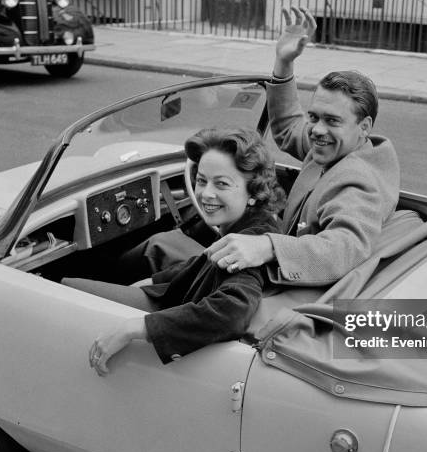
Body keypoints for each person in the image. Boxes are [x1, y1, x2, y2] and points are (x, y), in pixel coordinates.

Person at [204, 6, 400, 285]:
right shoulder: (339, 146)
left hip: (286, 289)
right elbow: (287, 129)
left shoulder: (357, 181)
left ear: (364, 126)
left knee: (161, 251)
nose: (317, 130)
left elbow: (344, 247)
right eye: (314, 117)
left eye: (332, 120)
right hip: (285, 255)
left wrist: (268, 246)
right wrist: (284, 62)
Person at [62, 128, 283, 374]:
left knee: (64, 291)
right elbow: (204, 263)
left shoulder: (247, 246)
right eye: (201, 180)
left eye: (221, 183)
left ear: (253, 193)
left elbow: (232, 313)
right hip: (177, 298)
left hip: (175, 317)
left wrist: (138, 327)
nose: (206, 194)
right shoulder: (257, 225)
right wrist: (153, 280)